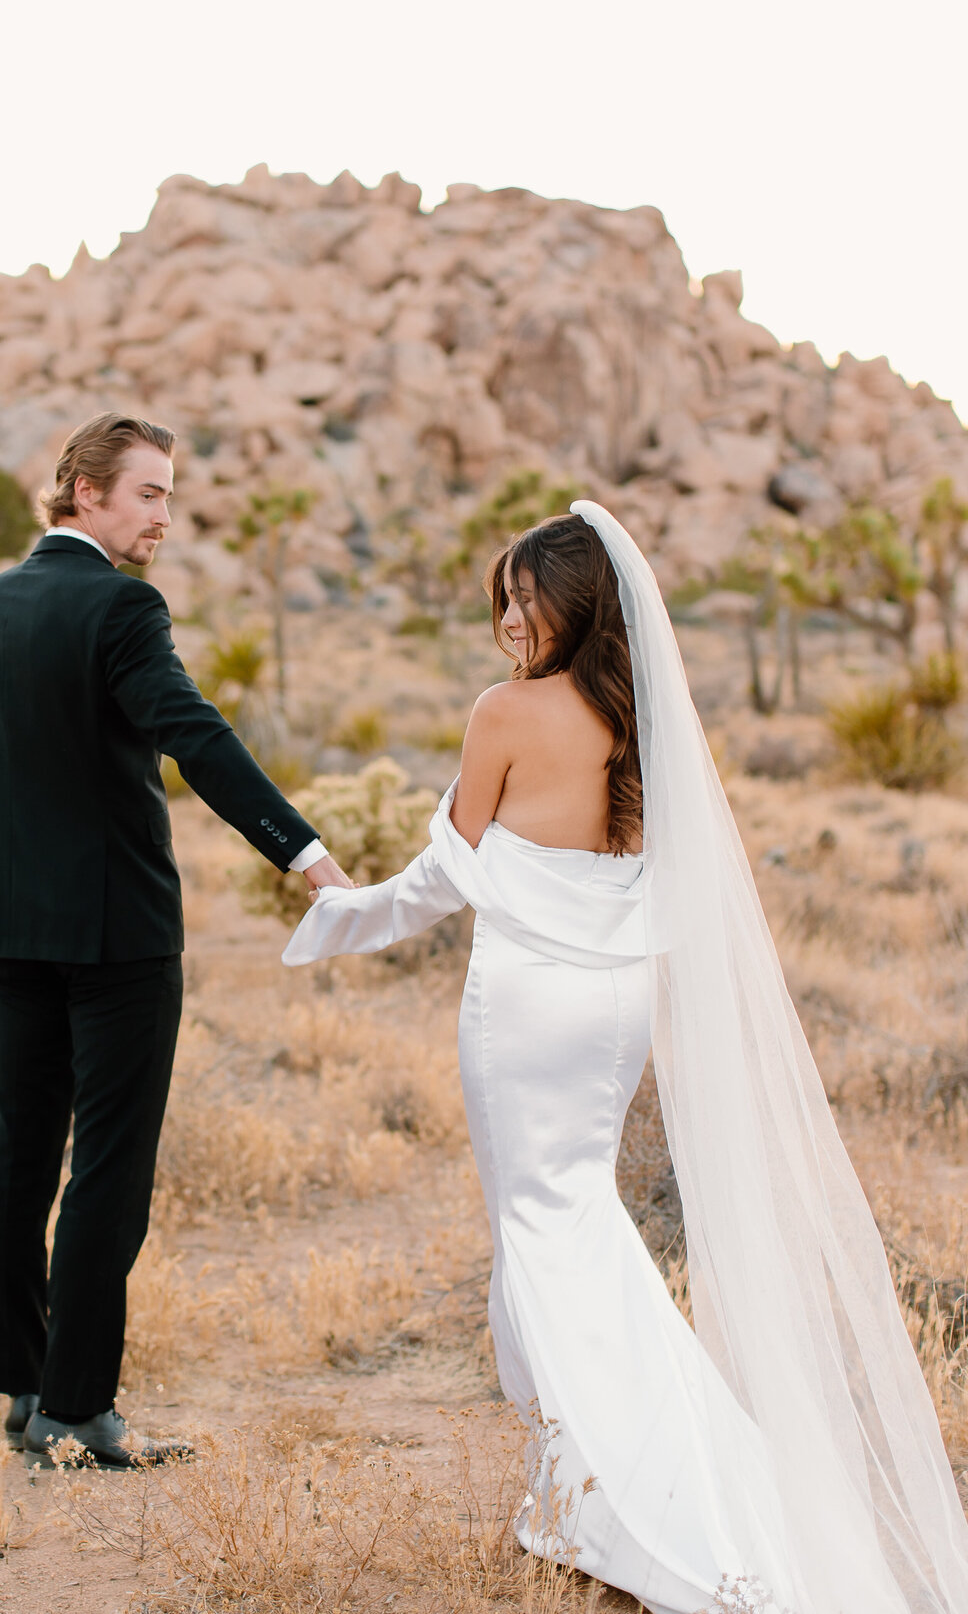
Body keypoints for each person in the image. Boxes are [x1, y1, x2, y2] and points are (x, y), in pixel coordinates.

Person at [283, 502, 968, 1614]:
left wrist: (338, 915)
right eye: (504, 595)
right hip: (614, 1002)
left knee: (539, 1233)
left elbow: (445, 874)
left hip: (524, 1004)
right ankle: (584, 1487)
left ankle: (632, 1501)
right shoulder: (645, 719)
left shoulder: (504, 712)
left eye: (524, 596)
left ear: (572, 604)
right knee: (577, 1220)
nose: (508, 616)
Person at [0, 411, 353, 1469]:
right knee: (109, 1173)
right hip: (120, 937)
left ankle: (25, 1390)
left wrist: (3, 894)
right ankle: (80, 1407)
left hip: (16, 927)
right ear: (85, 491)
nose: (164, 515)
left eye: (168, 493)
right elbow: (195, 734)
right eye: (149, 493)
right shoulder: (123, 610)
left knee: (22, 1160)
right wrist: (302, 851)